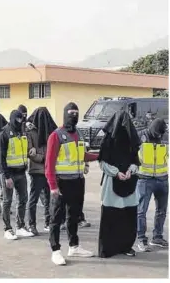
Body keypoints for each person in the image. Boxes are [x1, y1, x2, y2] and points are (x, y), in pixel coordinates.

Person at [45, 102, 98, 265]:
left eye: (76, 113)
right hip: (62, 184)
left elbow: (82, 155)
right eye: (71, 113)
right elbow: (49, 164)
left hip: (77, 181)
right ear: (64, 114)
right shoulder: (56, 135)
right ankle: (55, 250)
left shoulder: (79, 134)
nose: (73, 116)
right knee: (56, 218)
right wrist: (53, 186)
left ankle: (74, 246)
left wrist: (99, 155)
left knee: (73, 216)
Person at [98, 110, 141, 258]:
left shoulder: (132, 139)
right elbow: (102, 162)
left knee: (128, 216)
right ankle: (108, 248)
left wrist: (131, 170)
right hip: (111, 183)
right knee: (111, 216)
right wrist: (116, 172)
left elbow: (136, 160)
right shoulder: (108, 140)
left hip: (130, 182)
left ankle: (126, 246)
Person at [0, 110, 34, 240]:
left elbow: (22, 150)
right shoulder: (4, 134)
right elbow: (1, 158)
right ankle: (7, 229)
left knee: (23, 199)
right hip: (9, 174)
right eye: (17, 120)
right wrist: (6, 177)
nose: (20, 122)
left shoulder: (22, 132)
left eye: (21, 120)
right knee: (7, 201)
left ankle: (20, 226)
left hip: (21, 172)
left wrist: (30, 152)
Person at [136, 118, 168, 251]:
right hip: (144, 179)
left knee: (161, 211)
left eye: (162, 134)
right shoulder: (140, 137)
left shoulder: (166, 137)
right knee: (141, 211)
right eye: (157, 134)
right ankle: (141, 239)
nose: (159, 137)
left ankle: (157, 237)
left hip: (162, 179)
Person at [26, 107, 57, 235]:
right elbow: (30, 152)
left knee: (49, 199)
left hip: (48, 170)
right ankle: (31, 225)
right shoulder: (30, 132)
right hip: (36, 170)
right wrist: (44, 158)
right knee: (33, 199)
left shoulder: (51, 131)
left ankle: (48, 222)